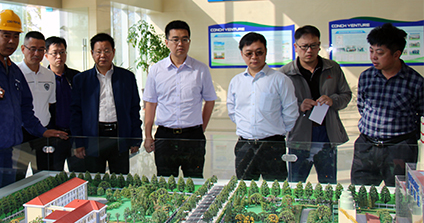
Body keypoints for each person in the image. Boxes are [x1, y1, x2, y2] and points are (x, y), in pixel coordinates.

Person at [0, 10, 67, 200]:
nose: (11, 41)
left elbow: (25, 110)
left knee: (6, 205)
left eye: (15, 36)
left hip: (10, 152)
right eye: (6, 35)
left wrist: (42, 131)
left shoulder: (14, 71)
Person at [351, 23, 424, 186]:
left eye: (380, 53)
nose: (373, 57)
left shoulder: (415, 82)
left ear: (396, 54)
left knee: (399, 194)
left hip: (399, 149)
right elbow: (362, 107)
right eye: (371, 51)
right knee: (361, 192)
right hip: (367, 146)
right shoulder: (366, 77)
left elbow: (421, 114)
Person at [143, 20, 217, 178]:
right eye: (175, 39)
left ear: (189, 41)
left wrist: (201, 128)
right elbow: (151, 104)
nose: (180, 44)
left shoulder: (200, 69)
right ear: (167, 42)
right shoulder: (156, 70)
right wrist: (148, 135)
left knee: (194, 181)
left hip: (193, 135)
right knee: (165, 181)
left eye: (185, 39)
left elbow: (210, 100)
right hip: (165, 136)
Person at [280, 25, 351, 184]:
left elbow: (346, 95)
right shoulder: (285, 73)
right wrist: (299, 106)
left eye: (313, 45)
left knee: (328, 184)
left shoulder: (332, 68)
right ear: (295, 47)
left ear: (319, 45)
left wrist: (332, 100)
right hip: (299, 135)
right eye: (304, 46)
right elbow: (277, 105)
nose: (309, 50)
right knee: (296, 183)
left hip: (326, 133)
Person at [227, 32, 298, 181]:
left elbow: (291, 111)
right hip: (245, 145)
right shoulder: (236, 81)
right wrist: (246, 127)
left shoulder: (280, 80)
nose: (254, 57)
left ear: (266, 52)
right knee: (245, 187)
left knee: (275, 188)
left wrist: (277, 131)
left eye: (259, 52)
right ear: (242, 54)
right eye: (249, 53)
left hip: (272, 146)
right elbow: (233, 111)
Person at [70, 33, 142, 174]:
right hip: (93, 136)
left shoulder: (127, 77)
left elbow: (134, 110)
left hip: (119, 135)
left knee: (120, 178)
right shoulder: (81, 79)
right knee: (95, 178)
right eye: (98, 51)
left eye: (107, 51)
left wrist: (135, 138)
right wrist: (78, 142)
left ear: (113, 52)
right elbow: (75, 113)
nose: (103, 55)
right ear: (92, 53)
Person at [44, 36, 81, 171]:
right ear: (46, 55)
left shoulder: (76, 77)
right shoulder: (42, 78)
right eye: (54, 53)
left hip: (74, 136)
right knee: (52, 175)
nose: (59, 56)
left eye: (62, 52)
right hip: (52, 136)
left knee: (78, 175)